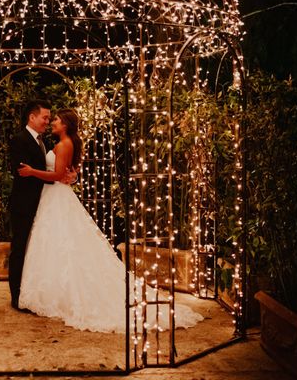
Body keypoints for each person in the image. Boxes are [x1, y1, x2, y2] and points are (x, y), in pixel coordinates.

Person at [17, 108, 204, 333]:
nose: (52, 123)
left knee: (62, 243)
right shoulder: (62, 143)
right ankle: (54, 290)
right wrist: (71, 175)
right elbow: (67, 172)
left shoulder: (63, 144)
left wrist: (31, 172)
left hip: (56, 196)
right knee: (56, 244)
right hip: (54, 197)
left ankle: (60, 293)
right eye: (50, 119)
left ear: (65, 124)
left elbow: (57, 175)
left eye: (55, 119)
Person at [7, 99, 76, 311]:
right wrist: (55, 177)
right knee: (19, 248)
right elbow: (20, 171)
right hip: (24, 203)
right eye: (45, 117)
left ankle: (34, 292)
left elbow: (58, 168)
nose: (48, 121)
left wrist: (68, 176)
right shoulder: (19, 139)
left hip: (43, 202)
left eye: (50, 118)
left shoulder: (44, 140)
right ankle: (17, 296)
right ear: (32, 117)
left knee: (35, 249)